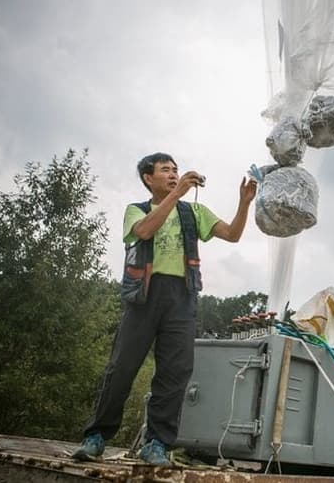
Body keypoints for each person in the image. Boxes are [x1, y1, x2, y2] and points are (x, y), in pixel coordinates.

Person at [72, 152, 257, 466]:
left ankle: (157, 444)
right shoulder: (137, 210)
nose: (173, 174)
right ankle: (97, 437)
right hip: (144, 296)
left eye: (176, 170)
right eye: (165, 170)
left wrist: (244, 203)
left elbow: (233, 234)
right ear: (148, 178)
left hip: (181, 297)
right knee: (121, 368)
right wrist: (177, 193)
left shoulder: (193, 211)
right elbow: (144, 232)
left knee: (175, 373)